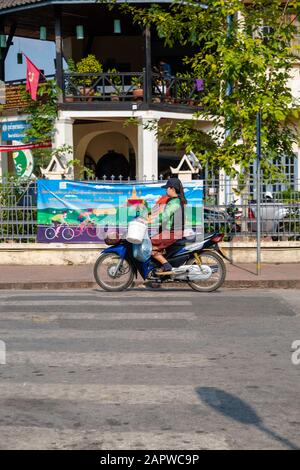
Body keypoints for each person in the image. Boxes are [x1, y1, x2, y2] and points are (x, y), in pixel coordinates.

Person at [148, 177, 186, 273]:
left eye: (167, 188)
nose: (166, 190)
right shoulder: (174, 201)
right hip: (170, 232)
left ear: (172, 189)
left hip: (172, 233)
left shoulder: (175, 203)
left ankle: (167, 266)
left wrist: (150, 221)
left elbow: (165, 216)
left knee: (148, 247)